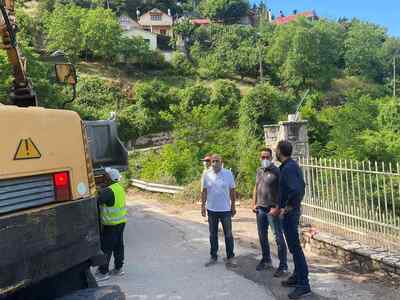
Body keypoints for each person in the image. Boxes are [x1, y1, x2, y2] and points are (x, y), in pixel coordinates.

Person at [271, 140, 311, 299]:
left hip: (290, 214)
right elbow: (302, 186)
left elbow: (296, 190)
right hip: (291, 211)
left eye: (276, 150)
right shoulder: (292, 166)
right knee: (294, 248)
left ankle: (304, 284)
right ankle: (297, 276)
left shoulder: (288, 168)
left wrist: (286, 207)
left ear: (280, 151)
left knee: (295, 249)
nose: (275, 152)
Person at [252, 148, 288, 277]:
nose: (265, 159)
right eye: (263, 157)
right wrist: (253, 203)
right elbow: (256, 187)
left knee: (278, 237)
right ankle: (266, 259)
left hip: (273, 209)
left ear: (271, 158)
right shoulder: (259, 170)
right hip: (260, 208)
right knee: (262, 236)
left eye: (267, 157)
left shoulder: (277, 171)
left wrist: (278, 207)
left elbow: (282, 191)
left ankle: (283, 265)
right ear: (260, 158)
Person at [201, 154, 237, 267]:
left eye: (217, 161)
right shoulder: (207, 174)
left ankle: (230, 257)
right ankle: (213, 256)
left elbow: (232, 190)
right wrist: (202, 206)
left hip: (225, 210)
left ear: (221, 162)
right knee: (213, 235)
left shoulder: (228, 173)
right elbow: (204, 191)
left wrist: (233, 206)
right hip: (212, 209)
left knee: (228, 235)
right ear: (211, 163)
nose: (215, 163)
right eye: (213, 161)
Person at [95, 167, 128, 282]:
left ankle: (103, 272)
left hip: (111, 224)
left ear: (109, 177)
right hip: (121, 222)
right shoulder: (118, 188)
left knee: (106, 248)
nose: (103, 177)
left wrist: (97, 191)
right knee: (118, 245)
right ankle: (118, 269)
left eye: (105, 176)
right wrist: (102, 189)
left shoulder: (108, 191)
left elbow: (97, 201)